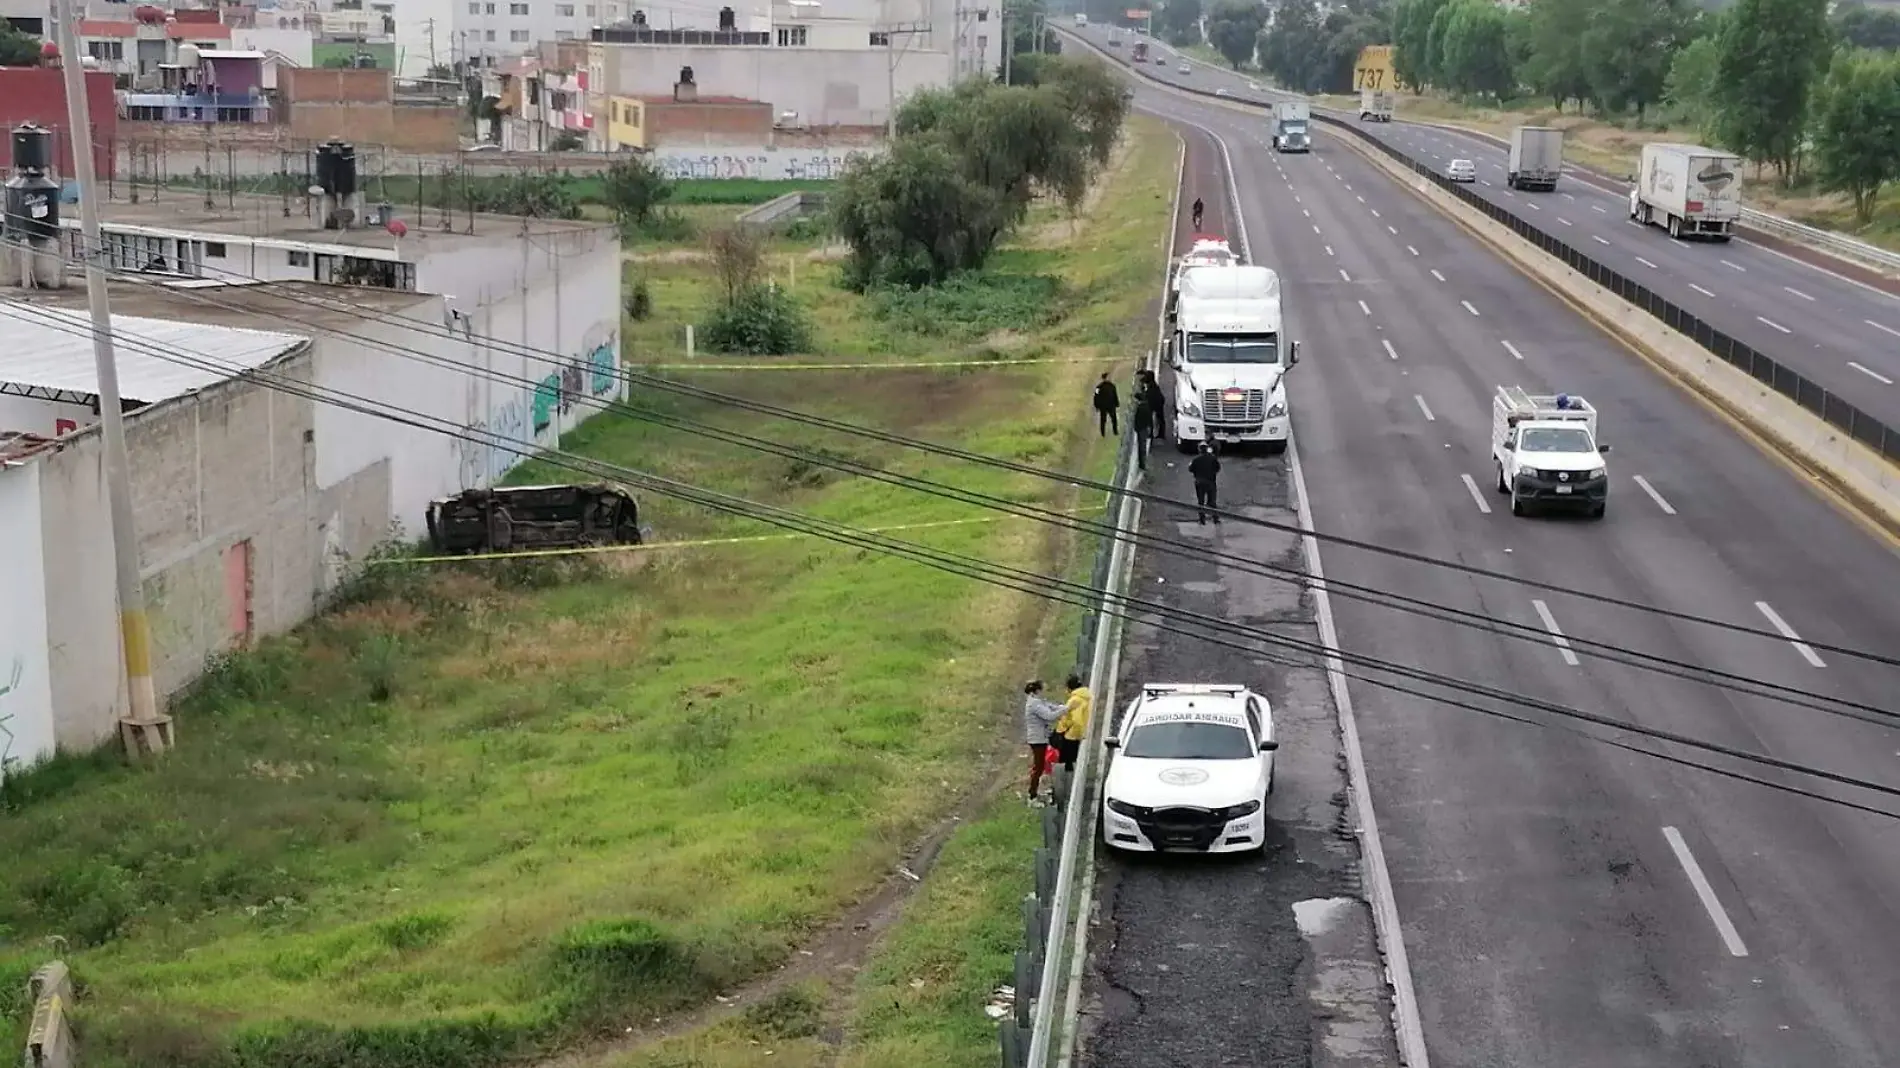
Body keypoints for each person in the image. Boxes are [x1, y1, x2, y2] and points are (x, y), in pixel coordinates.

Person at [1022, 680, 1065, 803]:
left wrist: (1061, 708)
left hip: (1040, 738)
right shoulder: (1034, 704)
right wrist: (1065, 710)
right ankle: (1032, 796)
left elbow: (1051, 706)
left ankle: (1034, 792)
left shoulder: (1037, 701)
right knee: (1039, 767)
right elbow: (1049, 716)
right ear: (1037, 690)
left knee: (1040, 766)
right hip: (1037, 739)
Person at [1052, 674, 1093, 772]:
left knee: (1066, 764)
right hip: (1079, 734)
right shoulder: (1086, 697)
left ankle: (1065, 782)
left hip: (1070, 736)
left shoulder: (1074, 700)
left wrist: (1067, 730)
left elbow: (1075, 720)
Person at [1189, 441, 1222, 524]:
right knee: (1212, 502)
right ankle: (1215, 519)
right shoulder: (1213, 458)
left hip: (1199, 482)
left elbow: (1191, 469)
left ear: (1199, 449)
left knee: (1201, 502)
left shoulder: (1196, 459)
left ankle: (1202, 520)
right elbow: (1217, 468)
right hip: (1211, 482)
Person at [1137, 370, 1167, 439]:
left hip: (1156, 402)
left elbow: (1146, 395)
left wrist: (1139, 394)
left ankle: (1154, 434)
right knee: (1160, 418)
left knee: (1153, 418)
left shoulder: (1151, 386)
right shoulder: (1152, 384)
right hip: (1158, 400)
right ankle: (1160, 434)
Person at [1092, 373, 1121, 437]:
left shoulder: (1111, 386)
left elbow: (1115, 395)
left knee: (1112, 419)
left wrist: (1117, 403)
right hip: (1106, 406)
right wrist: (1096, 405)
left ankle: (1114, 431)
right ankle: (1104, 433)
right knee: (1104, 420)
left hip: (1109, 405)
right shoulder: (1099, 387)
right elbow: (1096, 396)